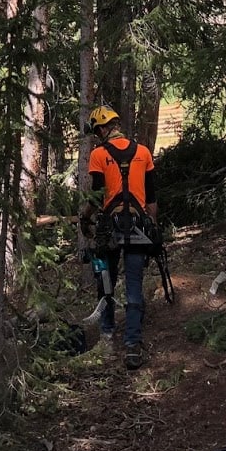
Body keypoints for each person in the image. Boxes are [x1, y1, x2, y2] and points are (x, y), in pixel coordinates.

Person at [80, 105, 160, 370]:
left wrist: (84, 217)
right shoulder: (144, 152)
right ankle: (132, 344)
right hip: (138, 224)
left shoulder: (98, 155)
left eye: (96, 131)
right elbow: (151, 197)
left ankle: (107, 334)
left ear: (102, 129)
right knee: (134, 283)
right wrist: (153, 225)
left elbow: (96, 194)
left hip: (110, 225)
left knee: (106, 279)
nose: (96, 136)